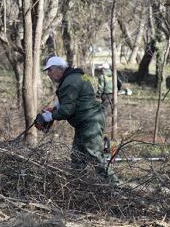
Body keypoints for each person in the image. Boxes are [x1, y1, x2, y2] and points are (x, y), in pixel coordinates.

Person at [40, 56, 120, 186]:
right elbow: (82, 96)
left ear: (58, 69)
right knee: (77, 156)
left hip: (89, 122)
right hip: (87, 121)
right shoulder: (79, 76)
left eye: (49, 70)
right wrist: (57, 105)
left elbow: (67, 111)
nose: (48, 74)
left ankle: (115, 186)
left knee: (94, 155)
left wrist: (50, 116)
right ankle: (77, 186)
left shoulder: (69, 82)